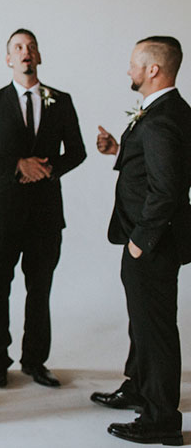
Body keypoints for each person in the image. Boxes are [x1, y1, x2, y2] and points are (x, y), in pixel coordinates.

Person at [93, 36, 190, 446]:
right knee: (143, 324)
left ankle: (161, 418)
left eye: (135, 63)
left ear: (153, 69)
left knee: (155, 331)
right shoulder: (170, 111)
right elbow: (159, 164)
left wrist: (140, 240)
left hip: (151, 244)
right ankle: (137, 388)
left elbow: (167, 188)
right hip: (152, 240)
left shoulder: (162, 118)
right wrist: (120, 149)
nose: (129, 70)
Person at [0, 28, 85, 389]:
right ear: (8, 59)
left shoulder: (62, 101)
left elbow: (78, 152)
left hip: (46, 216)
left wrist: (49, 168)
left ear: (38, 57)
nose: (26, 52)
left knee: (40, 290)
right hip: (2, 217)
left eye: (31, 47)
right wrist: (17, 166)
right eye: (18, 48)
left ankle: (36, 361)